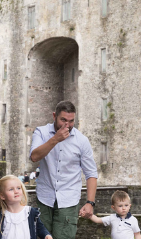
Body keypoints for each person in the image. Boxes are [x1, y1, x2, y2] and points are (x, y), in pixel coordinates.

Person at [29, 101, 98, 239]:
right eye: (63, 120)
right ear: (54, 116)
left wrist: (90, 203)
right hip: (45, 197)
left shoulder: (82, 140)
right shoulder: (41, 132)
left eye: (71, 121)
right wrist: (55, 139)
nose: (67, 125)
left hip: (69, 199)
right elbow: (34, 156)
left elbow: (91, 173)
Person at [0, 175, 52, 239]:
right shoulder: (0, 216)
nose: (16, 191)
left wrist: (46, 235)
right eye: (11, 189)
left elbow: (40, 229)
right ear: (2, 196)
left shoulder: (31, 212)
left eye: (18, 188)